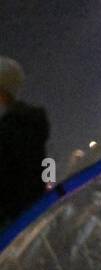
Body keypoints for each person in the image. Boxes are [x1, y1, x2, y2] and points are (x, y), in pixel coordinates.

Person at [0, 56, 50, 229]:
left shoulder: (9, 129)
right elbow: (45, 164)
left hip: (13, 221)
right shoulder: (34, 123)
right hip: (34, 211)